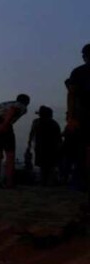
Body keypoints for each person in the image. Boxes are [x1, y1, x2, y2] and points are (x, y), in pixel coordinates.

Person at [0, 94, 30, 188]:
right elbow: (12, 110)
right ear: (27, 102)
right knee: (10, 154)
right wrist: (4, 124)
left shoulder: (5, 103)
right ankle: (9, 182)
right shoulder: (21, 106)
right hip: (3, 122)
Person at [66, 44, 90, 190]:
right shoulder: (79, 72)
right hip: (83, 115)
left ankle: (83, 180)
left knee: (84, 149)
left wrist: (71, 117)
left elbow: (71, 95)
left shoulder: (78, 72)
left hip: (83, 115)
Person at [27, 106, 62, 185]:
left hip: (42, 147)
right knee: (49, 166)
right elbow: (59, 139)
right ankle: (48, 182)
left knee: (45, 166)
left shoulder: (36, 122)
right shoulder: (54, 123)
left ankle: (45, 182)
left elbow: (31, 134)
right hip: (49, 148)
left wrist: (29, 145)